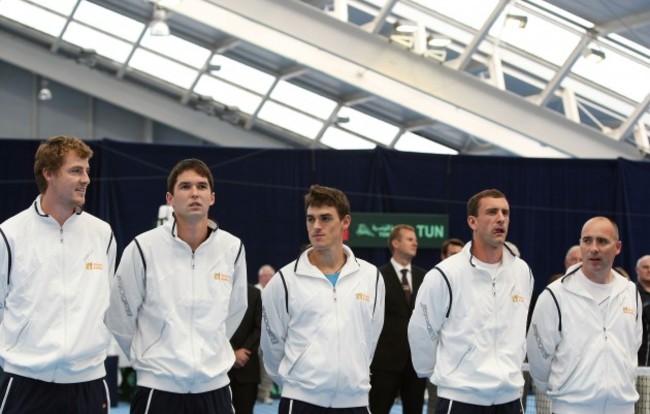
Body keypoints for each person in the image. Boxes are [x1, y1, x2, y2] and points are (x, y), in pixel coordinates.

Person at [106, 158, 247, 414]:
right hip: (158, 389)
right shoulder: (142, 248)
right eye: (185, 187)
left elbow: (236, 309)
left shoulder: (233, 248)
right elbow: (119, 316)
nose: (194, 193)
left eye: (202, 186)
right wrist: (151, 355)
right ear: (170, 198)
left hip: (214, 389)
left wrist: (208, 348)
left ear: (212, 198)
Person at [0, 135, 116, 413]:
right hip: (26, 381)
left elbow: (106, 299)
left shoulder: (102, 234)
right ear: (49, 173)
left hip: (88, 383)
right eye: (76, 170)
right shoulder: (10, 234)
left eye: (87, 170)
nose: (86, 179)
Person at [261, 184, 385, 413]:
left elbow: (370, 338)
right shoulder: (284, 281)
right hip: (301, 402)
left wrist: (352, 376)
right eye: (311, 219)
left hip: (355, 402)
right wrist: (298, 384)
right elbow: (272, 347)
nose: (316, 226)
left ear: (345, 222)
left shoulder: (371, 277)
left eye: (326, 218)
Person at [408, 188, 533, 413]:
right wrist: (436, 372)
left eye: (505, 212)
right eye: (492, 212)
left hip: (511, 398)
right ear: (472, 221)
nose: (501, 218)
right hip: (461, 398)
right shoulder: (445, 274)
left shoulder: (522, 272)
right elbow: (422, 332)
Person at [527, 217, 642, 414]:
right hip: (570, 409)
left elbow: (634, 344)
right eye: (587, 241)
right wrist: (566, 394)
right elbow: (538, 359)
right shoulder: (555, 294)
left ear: (618, 247)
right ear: (580, 245)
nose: (594, 248)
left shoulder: (630, 291)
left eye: (602, 241)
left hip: (623, 408)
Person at [370, 225, 427, 414]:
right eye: (410, 239)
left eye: (415, 239)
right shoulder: (377, 276)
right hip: (385, 363)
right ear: (395, 243)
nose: (415, 242)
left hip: (416, 364)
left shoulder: (425, 277)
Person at [425, 237, 464, 414]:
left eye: (460, 254)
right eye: (452, 254)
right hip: (439, 368)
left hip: (467, 376)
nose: (457, 258)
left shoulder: (472, 288)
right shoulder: (434, 283)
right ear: (443, 256)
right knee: (435, 407)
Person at [228, 283, 262, 414]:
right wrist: (232, 354)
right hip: (220, 370)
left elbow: (260, 327)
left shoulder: (255, 293)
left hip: (247, 368)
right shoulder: (216, 290)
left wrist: (244, 351)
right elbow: (212, 326)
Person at [255, 264, 276, 404]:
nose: (268, 278)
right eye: (265, 275)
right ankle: (252, 394)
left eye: (270, 275)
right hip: (255, 336)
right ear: (260, 277)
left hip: (271, 337)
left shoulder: (277, 291)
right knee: (252, 367)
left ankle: (265, 394)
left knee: (268, 368)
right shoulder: (254, 291)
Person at [636, 255, 650, 412]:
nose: (649, 270)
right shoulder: (632, 295)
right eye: (645, 267)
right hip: (642, 369)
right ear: (637, 270)